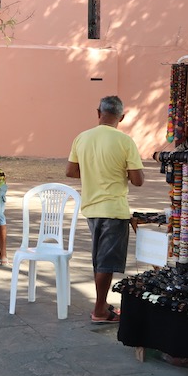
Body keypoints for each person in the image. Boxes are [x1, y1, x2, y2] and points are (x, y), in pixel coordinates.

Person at [66, 96, 145, 324]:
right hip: (114, 209)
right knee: (107, 262)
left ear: (98, 112)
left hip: (91, 208)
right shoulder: (125, 141)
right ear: (122, 116)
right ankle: (99, 310)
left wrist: (94, 172)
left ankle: (101, 303)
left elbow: (70, 171)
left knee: (100, 260)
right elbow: (137, 180)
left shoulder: (82, 138)